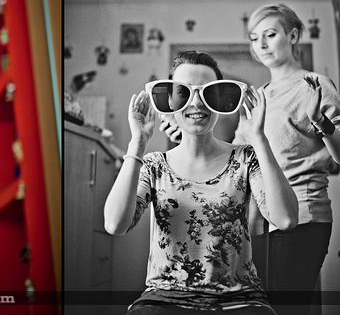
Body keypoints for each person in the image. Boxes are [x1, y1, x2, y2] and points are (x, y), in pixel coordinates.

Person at [158, 4, 340, 314]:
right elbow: (235, 159)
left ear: (293, 36)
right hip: (256, 219)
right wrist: (187, 136)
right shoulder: (258, 96)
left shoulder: (315, 85)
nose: (261, 44)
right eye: (255, 38)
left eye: (270, 34)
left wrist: (321, 122)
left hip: (303, 216)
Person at [104, 51, 298, 314]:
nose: (196, 103)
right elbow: (115, 224)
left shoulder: (245, 158)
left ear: (220, 100)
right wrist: (137, 143)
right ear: (170, 101)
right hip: (164, 299)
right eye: (184, 92)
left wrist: (259, 138)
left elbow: (286, 219)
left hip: (239, 300)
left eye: (208, 92)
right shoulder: (154, 165)